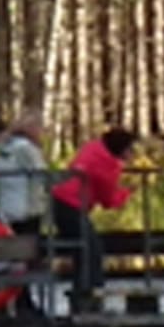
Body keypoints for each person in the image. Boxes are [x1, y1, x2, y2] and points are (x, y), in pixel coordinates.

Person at [50, 127, 137, 313]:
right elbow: (108, 201)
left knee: (82, 249)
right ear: (121, 149)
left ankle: (82, 294)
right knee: (92, 249)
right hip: (72, 205)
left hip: (58, 200)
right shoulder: (109, 166)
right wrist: (128, 192)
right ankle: (90, 295)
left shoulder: (92, 149)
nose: (132, 154)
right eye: (130, 149)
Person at [0, 110, 51, 238]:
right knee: (29, 249)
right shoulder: (26, 148)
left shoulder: (4, 146)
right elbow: (41, 172)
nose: (41, 132)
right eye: (40, 127)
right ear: (32, 128)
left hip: (6, 208)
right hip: (27, 208)